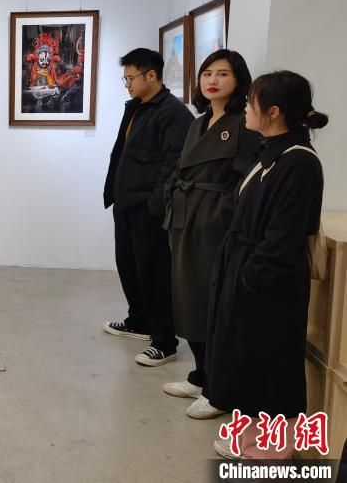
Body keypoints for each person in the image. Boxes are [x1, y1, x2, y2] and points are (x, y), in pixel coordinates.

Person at [204, 71, 328, 459]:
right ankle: (255, 438)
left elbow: (284, 236)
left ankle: (275, 449)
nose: (245, 108)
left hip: (270, 280)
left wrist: (249, 277)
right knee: (249, 358)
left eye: (251, 101)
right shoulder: (270, 152)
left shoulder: (300, 162)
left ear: (273, 112)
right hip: (247, 266)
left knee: (272, 361)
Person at [161, 50, 260, 418]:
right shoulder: (198, 122)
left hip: (215, 223)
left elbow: (247, 178)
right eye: (207, 73)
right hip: (185, 217)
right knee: (186, 298)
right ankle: (200, 374)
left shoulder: (242, 123)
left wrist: (222, 214)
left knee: (211, 304)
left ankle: (218, 388)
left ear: (239, 80)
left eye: (223, 74)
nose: (212, 80)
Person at [102, 48, 193, 366]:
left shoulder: (174, 114)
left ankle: (165, 341)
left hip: (148, 208)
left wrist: (156, 205)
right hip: (126, 202)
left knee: (155, 273)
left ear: (151, 75)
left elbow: (173, 165)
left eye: (130, 78)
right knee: (129, 266)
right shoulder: (137, 107)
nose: (126, 84)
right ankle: (140, 321)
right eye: (125, 78)